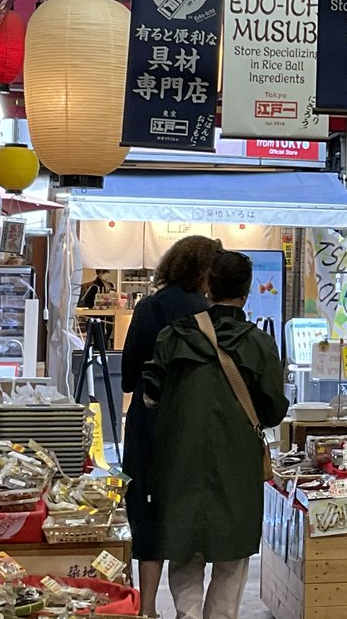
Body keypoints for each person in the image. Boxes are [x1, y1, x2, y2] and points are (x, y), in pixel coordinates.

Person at [142, 250, 289, 619]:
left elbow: (149, 395)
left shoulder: (173, 337)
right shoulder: (257, 343)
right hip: (235, 465)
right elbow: (272, 410)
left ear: (208, 285)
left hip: (178, 461)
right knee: (230, 559)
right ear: (247, 290)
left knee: (184, 549)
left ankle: (186, 615)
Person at [121, 235, 223, 618]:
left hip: (149, 424)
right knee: (182, 512)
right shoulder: (212, 314)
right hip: (195, 427)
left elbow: (129, 376)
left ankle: (146, 608)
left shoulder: (151, 307)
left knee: (146, 510)